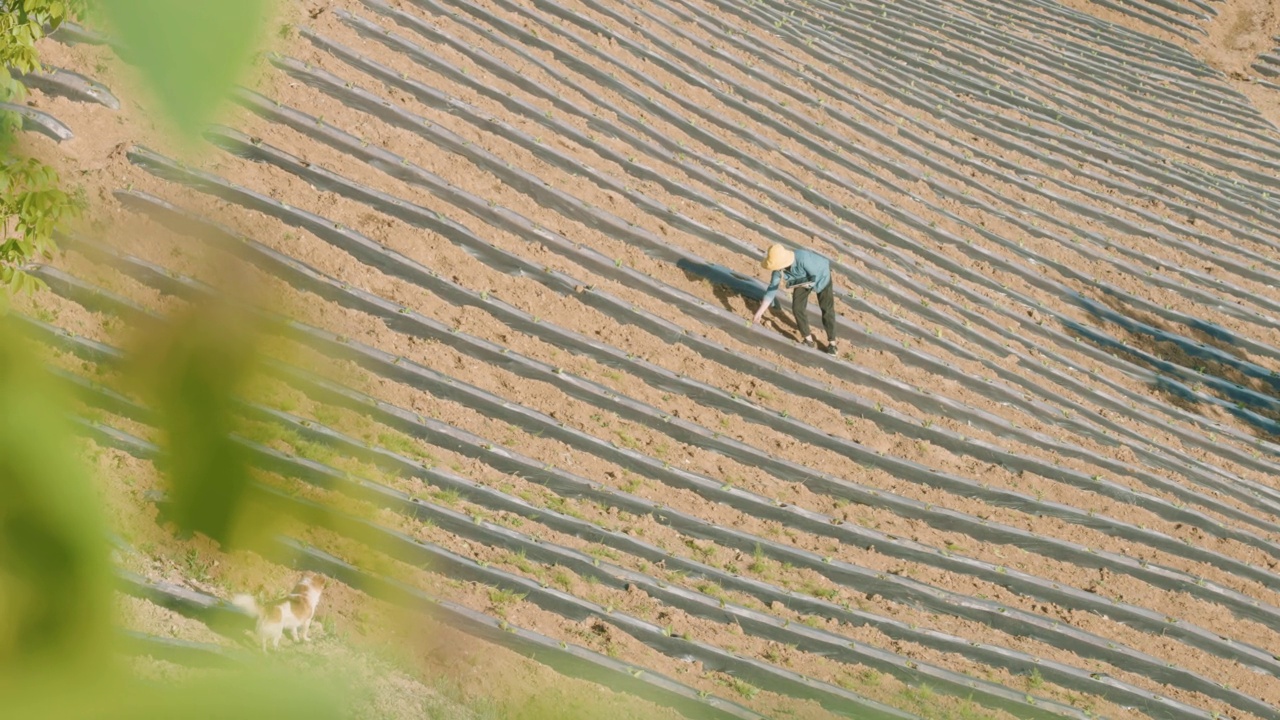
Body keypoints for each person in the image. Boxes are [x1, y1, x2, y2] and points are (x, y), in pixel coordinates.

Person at [751, 243, 838, 355]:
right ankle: (808, 340)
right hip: (802, 280)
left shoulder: (802, 258)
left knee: (826, 309)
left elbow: (815, 275)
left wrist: (810, 285)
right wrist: (760, 312)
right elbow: (771, 290)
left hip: (821, 275)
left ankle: (832, 344)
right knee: (797, 308)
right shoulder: (778, 271)